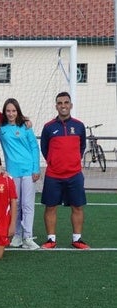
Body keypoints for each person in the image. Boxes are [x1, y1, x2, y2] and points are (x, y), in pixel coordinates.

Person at [40, 92, 89, 250]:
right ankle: (51, 240)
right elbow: (45, 149)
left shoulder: (79, 126)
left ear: (71, 105)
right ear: (56, 106)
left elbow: (81, 147)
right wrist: (55, 162)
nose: (63, 105)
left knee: (77, 207)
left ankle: (77, 239)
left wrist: (72, 161)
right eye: (60, 103)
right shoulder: (48, 127)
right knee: (50, 207)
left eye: (66, 102)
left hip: (74, 174)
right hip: (53, 175)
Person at [0, 98, 41, 250]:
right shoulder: (1, 129)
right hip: (12, 172)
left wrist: (37, 168)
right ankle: (16, 235)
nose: (11, 114)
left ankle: (28, 236)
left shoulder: (25, 126)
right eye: (8, 111)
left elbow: (34, 147)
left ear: (18, 111)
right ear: (4, 112)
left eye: (14, 111)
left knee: (27, 205)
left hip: (28, 170)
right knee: (15, 204)